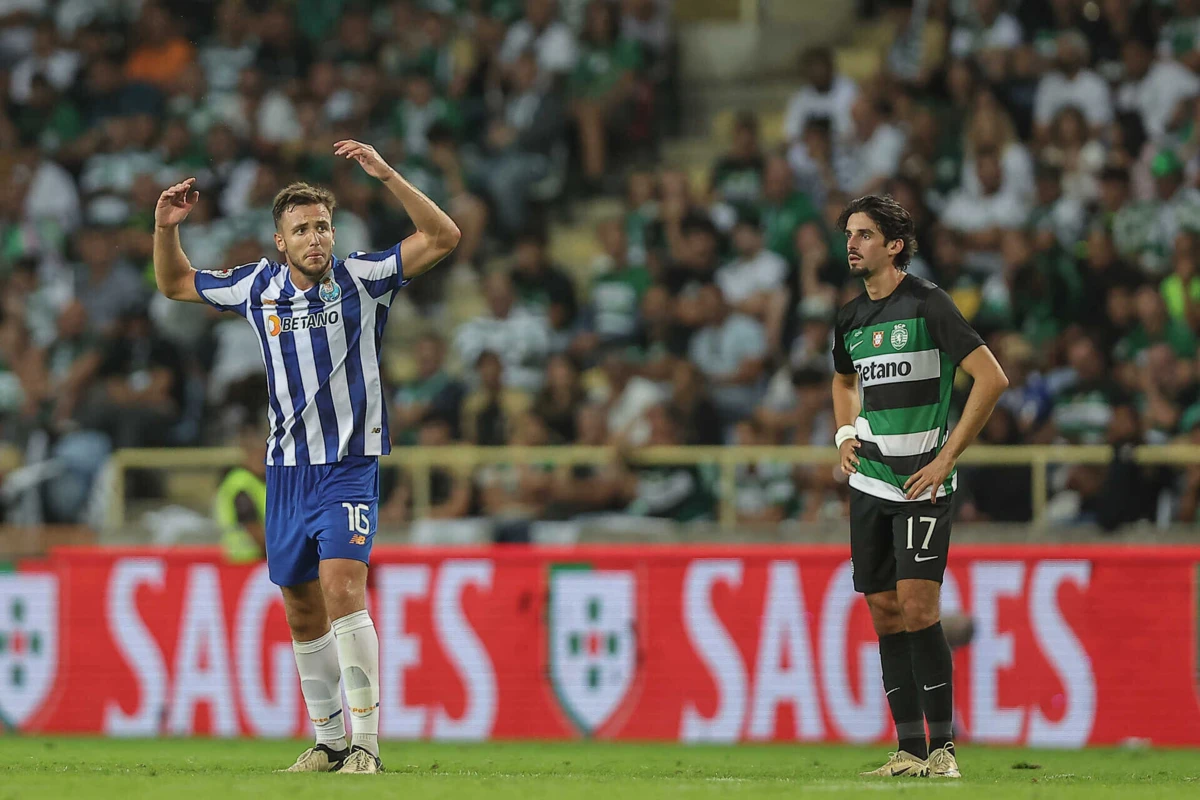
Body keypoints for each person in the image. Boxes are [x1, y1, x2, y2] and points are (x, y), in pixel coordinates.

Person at [151, 140, 461, 774]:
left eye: (323, 225)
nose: (316, 237)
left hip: (349, 464)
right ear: (280, 242)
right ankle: (328, 742)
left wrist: (386, 174)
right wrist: (163, 230)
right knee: (299, 605)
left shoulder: (364, 279)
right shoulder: (255, 288)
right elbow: (174, 282)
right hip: (287, 471)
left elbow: (444, 236)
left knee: (343, 586)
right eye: (302, 229)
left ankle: (368, 748)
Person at [830, 195, 1008, 779]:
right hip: (872, 482)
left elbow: (991, 377)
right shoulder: (851, 318)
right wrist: (844, 434)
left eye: (863, 234)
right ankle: (908, 750)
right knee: (883, 610)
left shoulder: (929, 305)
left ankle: (944, 750)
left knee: (917, 604)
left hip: (924, 484)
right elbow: (841, 380)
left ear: (894, 245)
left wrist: (947, 457)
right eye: (850, 234)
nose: (852, 243)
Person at [214, 420, 268, 563]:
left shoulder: (256, 481)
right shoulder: (241, 484)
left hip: (248, 559)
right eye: (260, 453)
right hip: (246, 559)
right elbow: (251, 525)